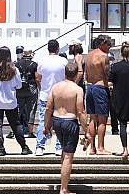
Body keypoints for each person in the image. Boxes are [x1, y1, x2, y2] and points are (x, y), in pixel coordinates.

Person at [43, 62, 88, 194]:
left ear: (65, 73)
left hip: (57, 120)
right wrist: (86, 130)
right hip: (69, 121)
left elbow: (48, 108)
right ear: (76, 75)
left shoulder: (56, 87)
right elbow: (81, 111)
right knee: (68, 156)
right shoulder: (77, 89)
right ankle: (63, 189)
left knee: (64, 152)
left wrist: (47, 125)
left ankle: (63, 184)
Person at [0, 46, 32, 156]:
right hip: (11, 102)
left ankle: (1, 148)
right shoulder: (14, 69)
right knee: (16, 125)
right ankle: (24, 147)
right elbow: (19, 85)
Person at [36, 39, 69, 156]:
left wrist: (42, 88)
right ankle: (59, 147)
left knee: (42, 121)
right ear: (58, 49)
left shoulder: (42, 61)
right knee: (60, 121)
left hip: (45, 94)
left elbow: (38, 78)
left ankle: (40, 146)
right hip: (60, 95)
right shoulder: (63, 61)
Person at [85, 35, 112, 155]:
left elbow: (86, 75)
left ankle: (92, 148)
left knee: (92, 118)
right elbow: (107, 75)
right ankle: (101, 147)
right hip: (100, 87)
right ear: (102, 44)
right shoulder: (103, 56)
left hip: (90, 86)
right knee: (102, 119)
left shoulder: (89, 55)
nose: (109, 46)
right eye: (108, 44)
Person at [14, 50, 38, 138]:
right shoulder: (34, 64)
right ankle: (30, 131)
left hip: (19, 88)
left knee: (18, 109)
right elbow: (37, 77)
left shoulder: (17, 64)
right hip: (31, 88)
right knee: (31, 109)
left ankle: (15, 130)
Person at [108, 52, 119, 136]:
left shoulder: (115, 69)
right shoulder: (102, 69)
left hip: (114, 92)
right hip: (104, 90)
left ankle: (115, 129)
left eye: (111, 59)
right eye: (109, 59)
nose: (110, 61)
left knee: (114, 112)